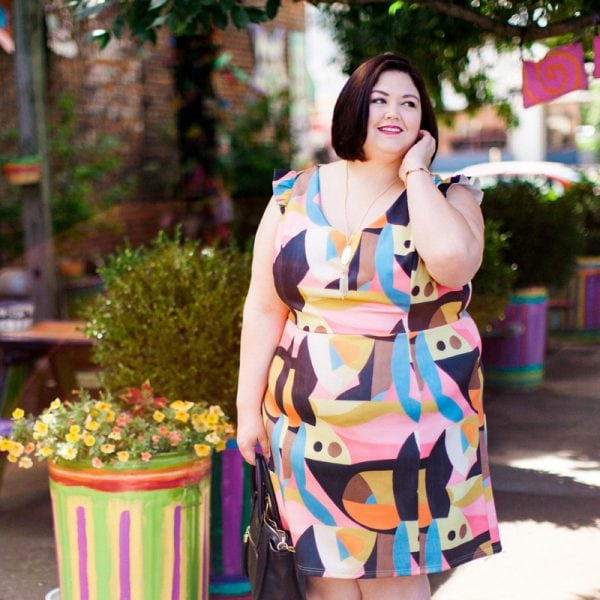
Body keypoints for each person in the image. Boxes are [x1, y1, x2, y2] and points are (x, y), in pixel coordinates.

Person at [236, 53, 502, 600]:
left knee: (397, 581)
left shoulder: (449, 194)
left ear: (424, 122)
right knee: (326, 581)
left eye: (409, 103)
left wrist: (416, 173)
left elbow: (454, 263)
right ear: (354, 108)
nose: (393, 113)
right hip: (307, 426)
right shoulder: (292, 194)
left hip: (414, 429)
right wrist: (246, 410)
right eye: (379, 100)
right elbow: (264, 306)